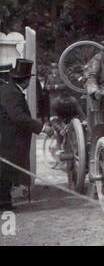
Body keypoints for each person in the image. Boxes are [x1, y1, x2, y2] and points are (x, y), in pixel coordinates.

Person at [0, 59, 53, 211]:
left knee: (7, 170)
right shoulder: (11, 93)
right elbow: (18, 117)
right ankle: (3, 203)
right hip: (9, 137)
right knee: (5, 170)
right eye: (28, 79)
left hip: (10, 137)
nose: (29, 82)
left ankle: (5, 201)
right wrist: (42, 128)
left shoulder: (10, 90)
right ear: (25, 80)